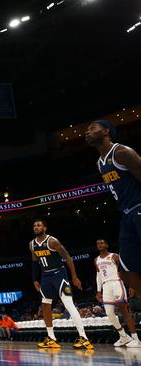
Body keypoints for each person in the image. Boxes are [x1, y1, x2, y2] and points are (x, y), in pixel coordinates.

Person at [86, 120, 141, 296]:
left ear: (106, 131)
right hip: (126, 215)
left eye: (92, 128)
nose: (87, 131)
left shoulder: (122, 152)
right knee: (125, 271)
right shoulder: (100, 163)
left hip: (139, 206)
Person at [30, 220, 93, 349]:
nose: (36, 227)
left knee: (68, 304)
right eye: (34, 226)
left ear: (45, 228)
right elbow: (35, 262)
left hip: (59, 275)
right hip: (45, 277)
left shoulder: (53, 241)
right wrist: (35, 279)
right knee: (45, 305)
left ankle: (84, 338)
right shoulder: (32, 245)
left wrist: (74, 277)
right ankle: (52, 338)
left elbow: (68, 258)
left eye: (39, 225)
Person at [94, 239, 141, 347]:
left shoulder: (114, 256)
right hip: (106, 286)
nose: (100, 245)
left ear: (106, 245)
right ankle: (123, 336)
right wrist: (98, 291)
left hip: (116, 283)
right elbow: (98, 276)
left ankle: (136, 339)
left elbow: (125, 270)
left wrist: (131, 285)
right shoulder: (96, 260)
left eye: (102, 243)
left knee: (124, 311)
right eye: (98, 244)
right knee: (109, 314)